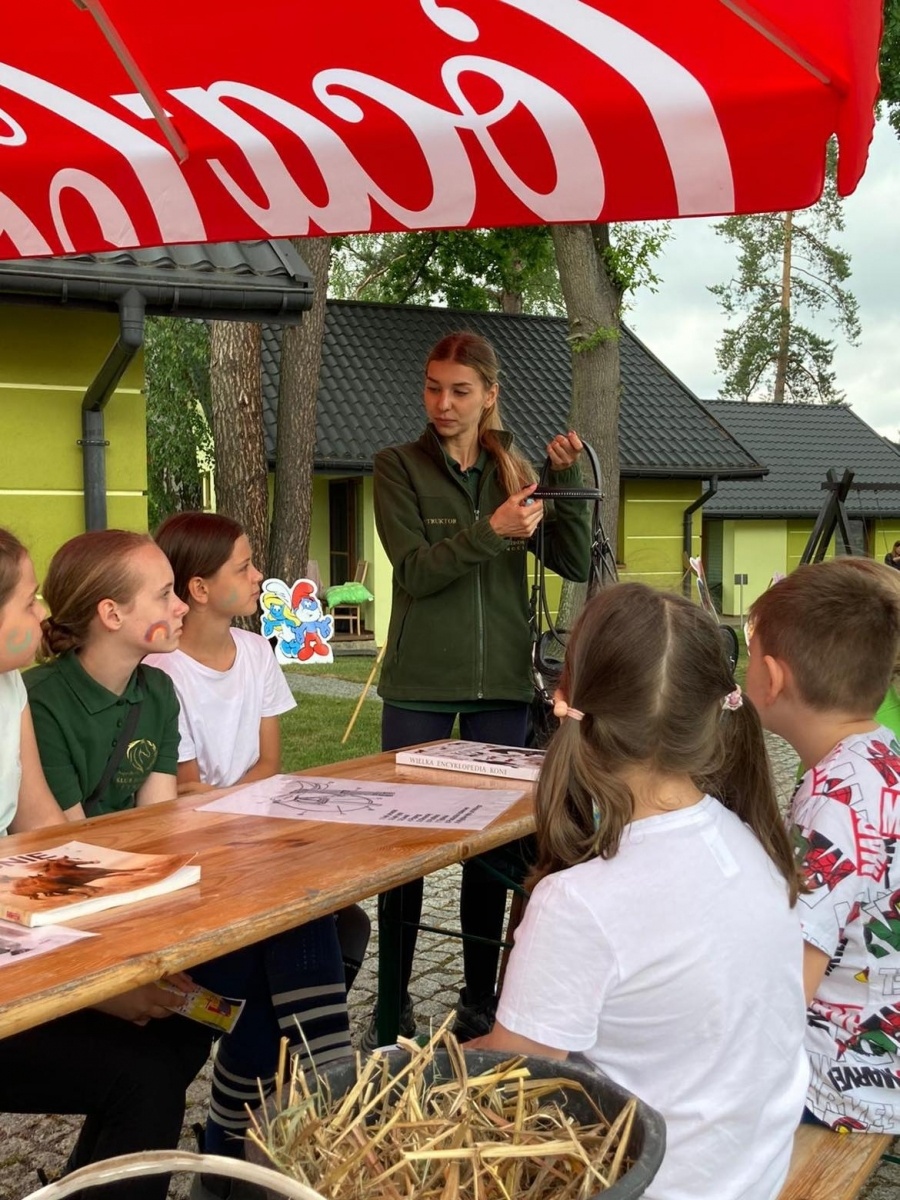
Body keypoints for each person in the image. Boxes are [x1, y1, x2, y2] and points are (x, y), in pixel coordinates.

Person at [25, 530, 352, 1200]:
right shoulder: (43, 700)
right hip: (78, 931)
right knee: (286, 954)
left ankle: (270, 1121)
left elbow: (164, 828)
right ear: (112, 616)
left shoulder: (153, 692)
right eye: (164, 593)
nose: (177, 605)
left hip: (141, 911)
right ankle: (300, 1107)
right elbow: (73, 861)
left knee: (316, 920)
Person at [476, 583, 808, 1200]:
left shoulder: (578, 903)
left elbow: (506, 1084)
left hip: (652, 1182)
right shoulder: (752, 842)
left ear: (564, 701)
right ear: (713, 710)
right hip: (750, 1171)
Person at [368, 330, 591, 1049]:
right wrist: (492, 530)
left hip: (499, 681)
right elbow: (415, 572)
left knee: (489, 850)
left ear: (490, 395)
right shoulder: (395, 467)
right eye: (434, 387)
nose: (443, 403)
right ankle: (390, 1001)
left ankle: (478, 996)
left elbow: (570, 558)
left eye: (460, 390)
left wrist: (563, 486)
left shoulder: (514, 470)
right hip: (420, 684)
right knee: (401, 851)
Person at [0, 527, 213, 1200]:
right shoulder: (36, 692)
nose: (42, 616)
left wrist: (126, 964)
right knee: (144, 1076)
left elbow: (48, 852)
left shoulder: (10, 693)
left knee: (177, 1036)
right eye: (28, 601)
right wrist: (106, 990)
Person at [745, 557, 900, 1134]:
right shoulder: (880, 754)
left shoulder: (833, 803)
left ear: (773, 678)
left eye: (749, 649)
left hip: (840, 1086)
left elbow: (788, 985)